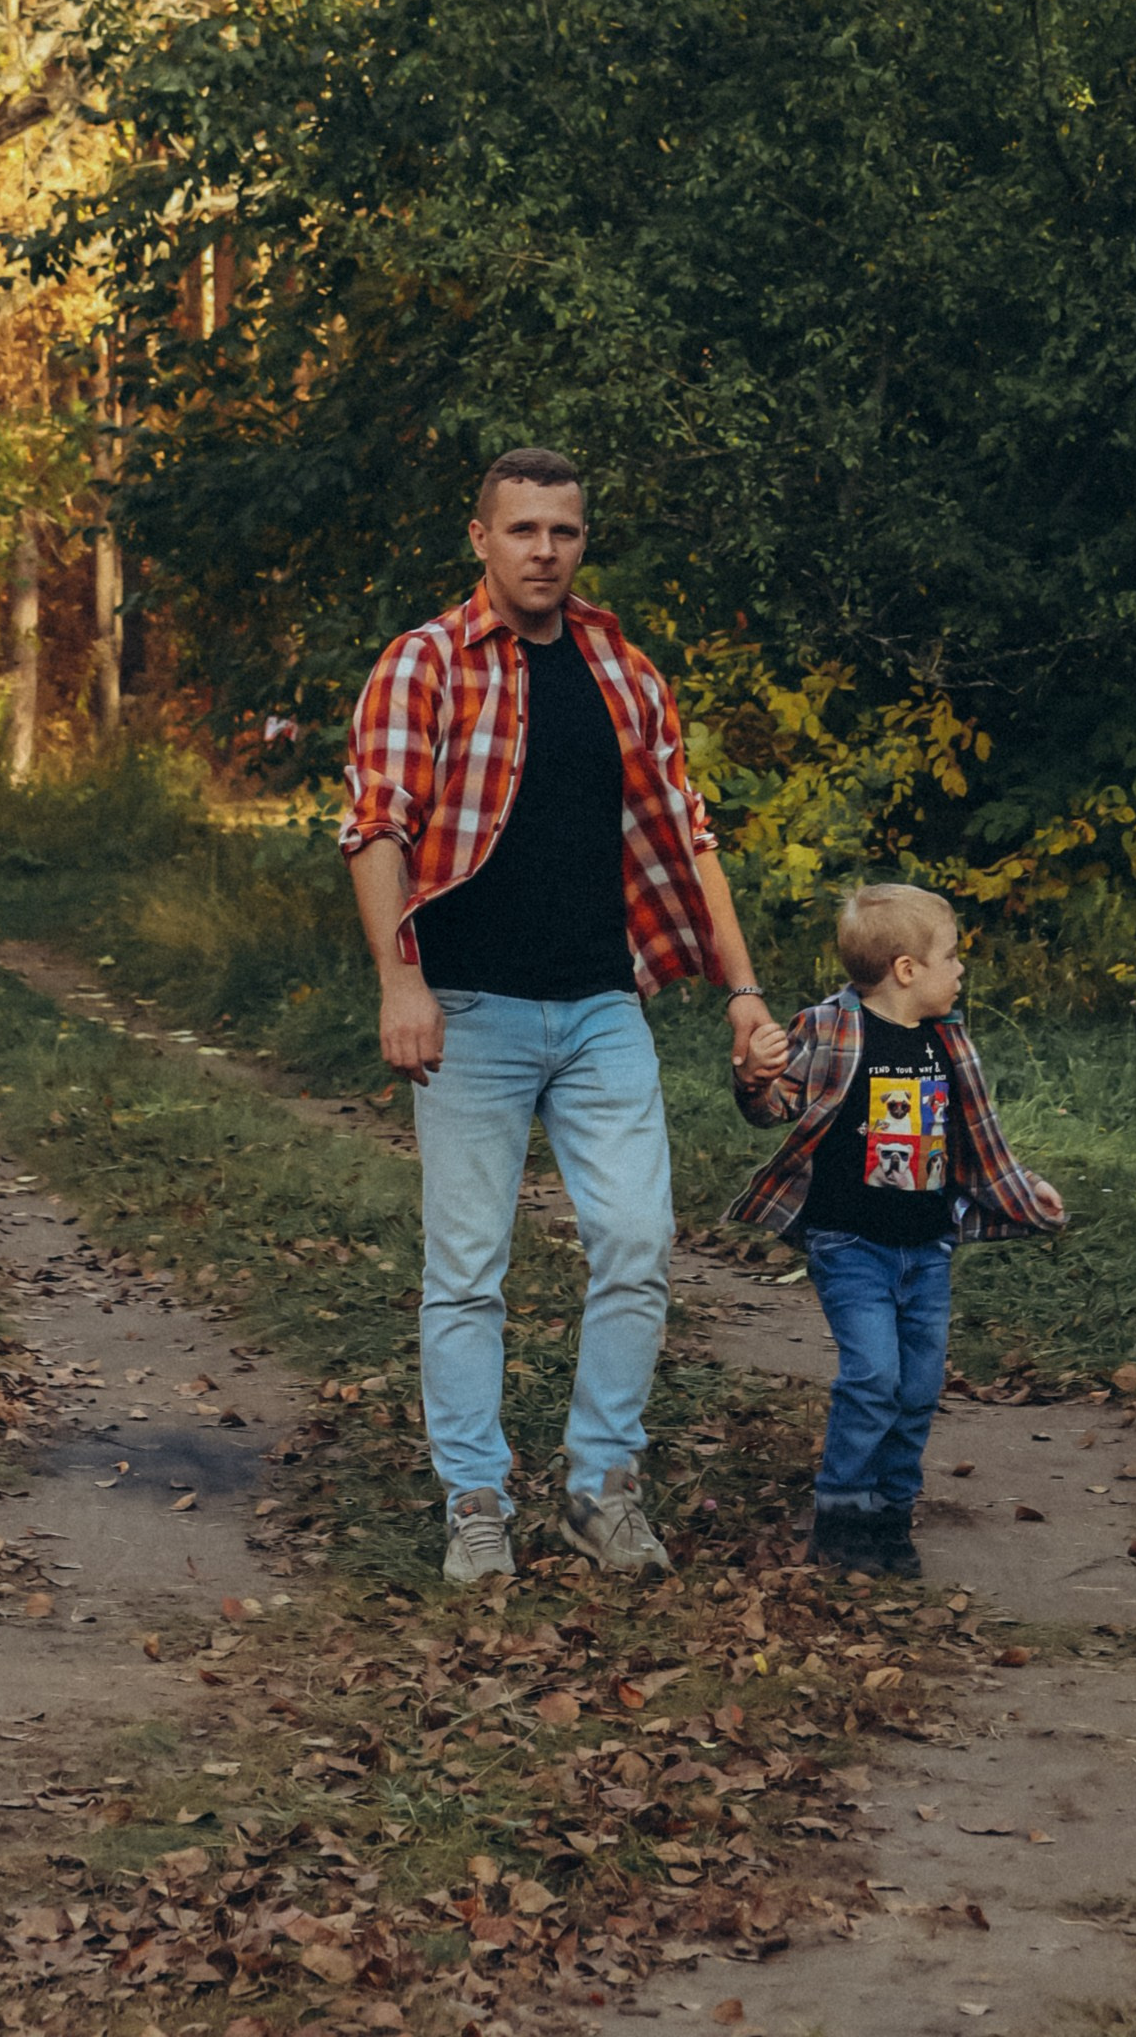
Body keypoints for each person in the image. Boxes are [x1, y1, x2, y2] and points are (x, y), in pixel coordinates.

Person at [343, 447, 787, 1585]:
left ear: (583, 541)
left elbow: (687, 842)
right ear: (479, 538)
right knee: (467, 1268)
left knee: (637, 1244)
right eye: (523, 529)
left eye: (564, 532)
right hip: (470, 1011)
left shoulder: (621, 669)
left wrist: (741, 992)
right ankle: (475, 1502)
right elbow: (376, 828)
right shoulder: (424, 663)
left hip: (601, 1008)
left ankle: (599, 1489)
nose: (544, 550)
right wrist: (402, 983)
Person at [729, 882, 1065, 1577]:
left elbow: (979, 1138)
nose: (961, 971)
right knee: (873, 1376)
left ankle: (890, 1513)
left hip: (928, 1246)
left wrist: (1024, 1191)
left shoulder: (951, 1041)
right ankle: (841, 1513)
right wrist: (753, 1078)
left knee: (917, 1389)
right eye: (951, 957)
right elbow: (773, 1106)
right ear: (907, 970)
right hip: (848, 1242)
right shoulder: (827, 1029)